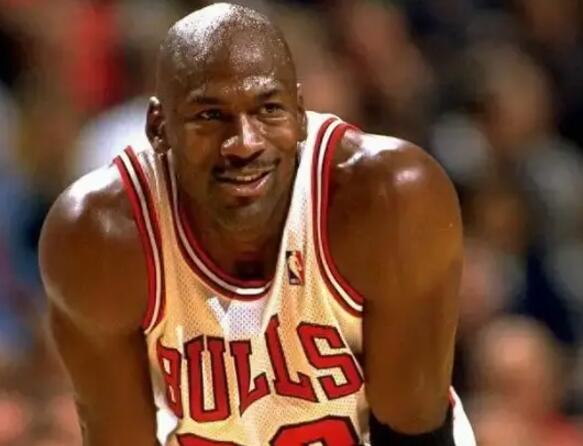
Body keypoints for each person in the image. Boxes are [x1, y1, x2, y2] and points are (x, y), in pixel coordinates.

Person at [39, 3, 475, 445]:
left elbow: (413, 427)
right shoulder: (99, 237)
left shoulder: (390, 198)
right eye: (210, 115)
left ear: (300, 114)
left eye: (268, 109)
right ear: (159, 128)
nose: (244, 143)